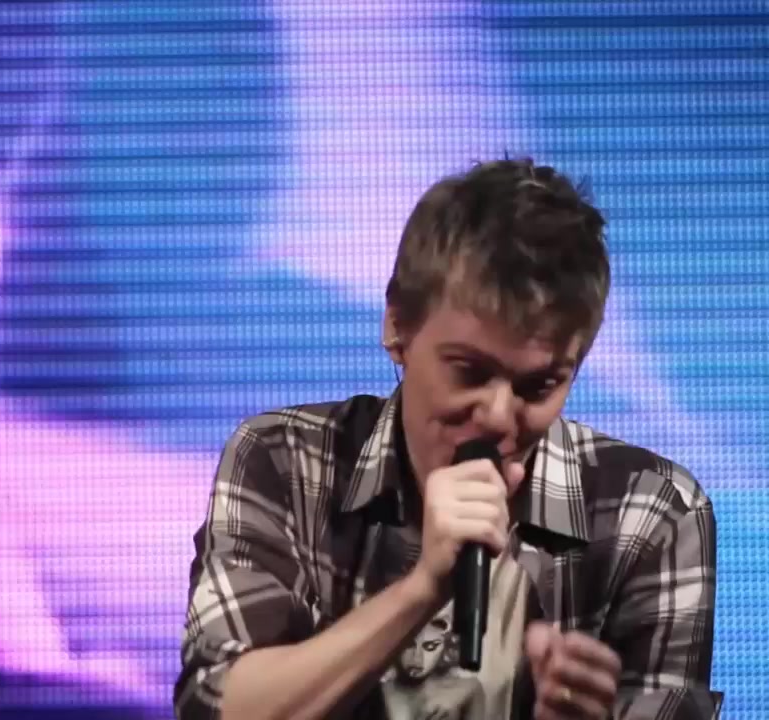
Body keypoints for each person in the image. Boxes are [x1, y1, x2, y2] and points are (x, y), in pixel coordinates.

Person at [175, 158, 718, 720]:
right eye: (469, 371)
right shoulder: (284, 460)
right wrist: (422, 588)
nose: (499, 417)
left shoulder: (653, 513)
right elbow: (217, 706)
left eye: (539, 386)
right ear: (397, 326)